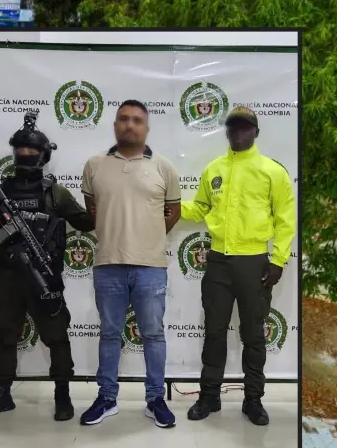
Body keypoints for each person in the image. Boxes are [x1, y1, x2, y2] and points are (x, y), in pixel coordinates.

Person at [0, 112, 95, 422]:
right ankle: (2, 395)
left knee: (57, 337)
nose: (25, 156)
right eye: (20, 151)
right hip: (8, 278)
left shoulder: (55, 193)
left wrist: (102, 195)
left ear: (43, 156)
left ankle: (62, 394)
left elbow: (87, 222)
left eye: (31, 152)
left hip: (44, 278)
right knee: (5, 335)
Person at [176, 106, 296, 426]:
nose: (239, 132)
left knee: (253, 335)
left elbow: (285, 221)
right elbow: (199, 207)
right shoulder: (214, 169)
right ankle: (209, 397)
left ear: (256, 132)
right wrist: (170, 205)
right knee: (214, 332)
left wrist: (278, 259)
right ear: (227, 131)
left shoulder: (273, 171)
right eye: (234, 127)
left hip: (255, 263)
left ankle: (253, 399)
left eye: (246, 127)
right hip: (218, 262)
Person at [79, 100, 182, 429]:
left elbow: (173, 212)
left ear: (147, 128)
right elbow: (92, 207)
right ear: (114, 125)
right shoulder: (94, 165)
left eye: (137, 120)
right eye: (123, 119)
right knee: (110, 334)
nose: (130, 125)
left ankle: (155, 399)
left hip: (150, 267)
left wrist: (147, 237)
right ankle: (107, 398)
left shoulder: (164, 167)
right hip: (108, 263)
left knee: (153, 334)